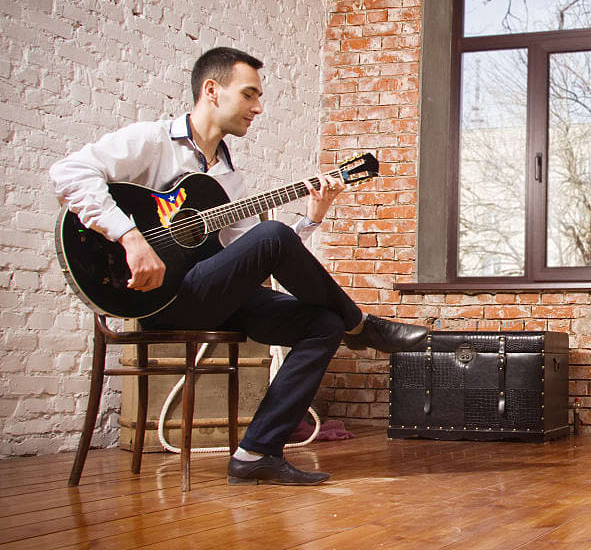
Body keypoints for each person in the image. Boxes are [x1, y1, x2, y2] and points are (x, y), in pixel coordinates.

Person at [51, 47, 429, 486]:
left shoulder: (228, 177)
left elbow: (258, 254)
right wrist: (130, 237)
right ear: (212, 90)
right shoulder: (153, 141)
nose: (258, 107)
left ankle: (256, 453)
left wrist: (312, 218)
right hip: (155, 297)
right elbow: (68, 173)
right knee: (273, 237)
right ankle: (361, 324)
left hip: (210, 294)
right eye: (249, 94)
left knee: (322, 323)